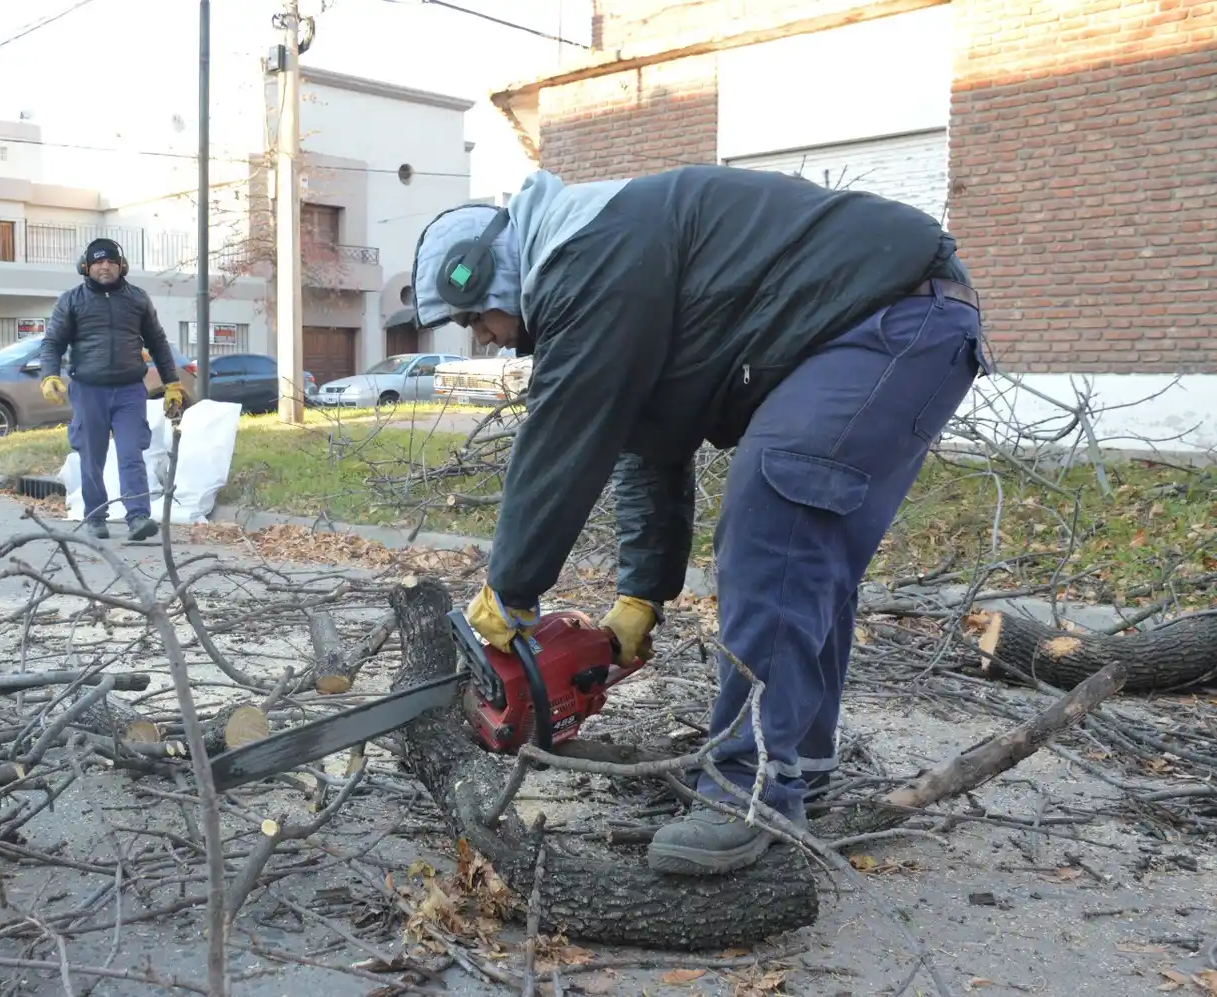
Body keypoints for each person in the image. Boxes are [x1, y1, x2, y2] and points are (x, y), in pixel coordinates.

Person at [410, 165, 991, 876]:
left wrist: (511, 589)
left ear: (490, 278)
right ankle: (797, 765)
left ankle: (747, 792)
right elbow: (646, 448)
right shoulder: (610, 261)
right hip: (908, 319)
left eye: (476, 320)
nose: (487, 338)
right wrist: (639, 599)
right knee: (809, 552)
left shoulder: (587, 255)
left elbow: (566, 433)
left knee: (771, 526)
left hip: (889, 314)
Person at [39, 237, 184, 541]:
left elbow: (157, 342)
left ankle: (138, 517)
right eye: (98, 262)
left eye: (111, 262)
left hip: (130, 389)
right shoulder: (71, 300)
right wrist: (49, 375)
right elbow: (52, 342)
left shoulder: (138, 299)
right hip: (88, 389)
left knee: (131, 452)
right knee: (92, 456)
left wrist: (172, 384)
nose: (105, 267)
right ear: (86, 266)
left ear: (121, 266)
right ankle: (95, 516)